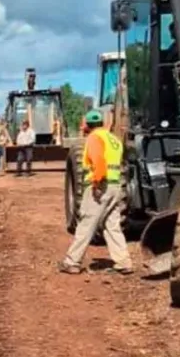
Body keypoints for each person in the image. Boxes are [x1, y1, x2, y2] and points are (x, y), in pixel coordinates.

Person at [58, 110, 133, 275]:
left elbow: (99, 162)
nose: (81, 125)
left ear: (88, 124)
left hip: (101, 187)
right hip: (115, 186)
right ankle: (123, 262)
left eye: (83, 122)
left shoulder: (94, 138)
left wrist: (97, 183)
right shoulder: (113, 139)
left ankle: (72, 262)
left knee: (86, 223)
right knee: (112, 225)